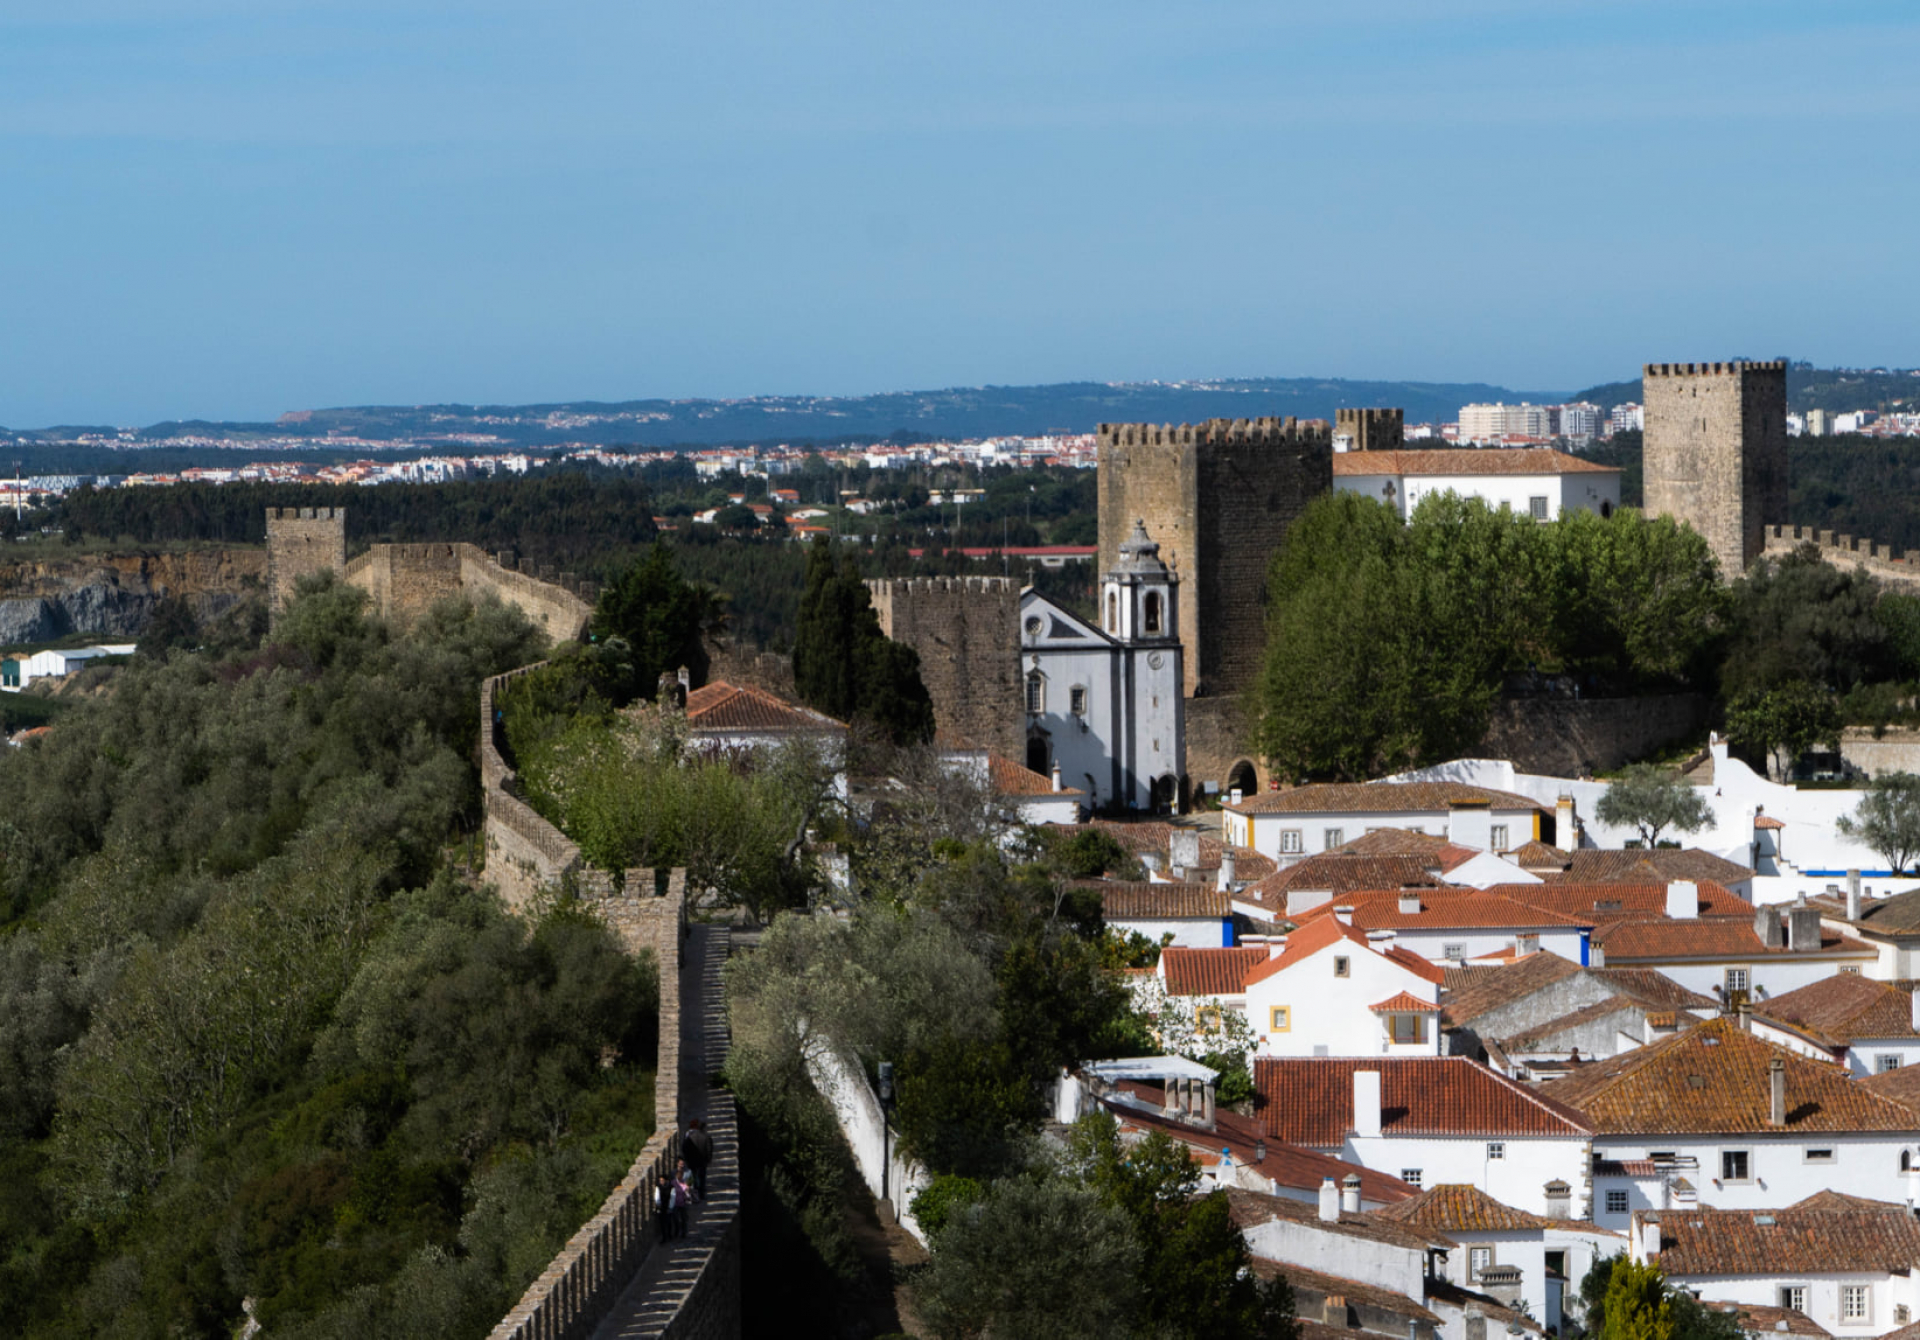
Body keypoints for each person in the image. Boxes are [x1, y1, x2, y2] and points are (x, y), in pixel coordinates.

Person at [681, 1118, 714, 1198]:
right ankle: (701, 1193)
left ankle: (695, 1192)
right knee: (702, 1177)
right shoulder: (706, 1137)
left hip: (692, 1161)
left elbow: (684, 1149)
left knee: (693, 1176)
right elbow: (709, 1149)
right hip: (702, 1161)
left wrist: (687, 1159)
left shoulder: (689, 1138)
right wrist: (708, 1159)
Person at [654, 1171, 677, 1242]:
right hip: (661, 1207)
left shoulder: (671, 1187)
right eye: (660, 1180)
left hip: (668, 1206)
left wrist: (670, 1207)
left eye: (662, 1180)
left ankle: (669, 1235)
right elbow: (657, 1198)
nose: (661, 1182)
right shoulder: (658, 1187)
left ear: (666, 1180)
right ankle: (664, 1237)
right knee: (662, 1223)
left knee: (669, 1222)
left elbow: (673, 1197)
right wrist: (659, 1205)